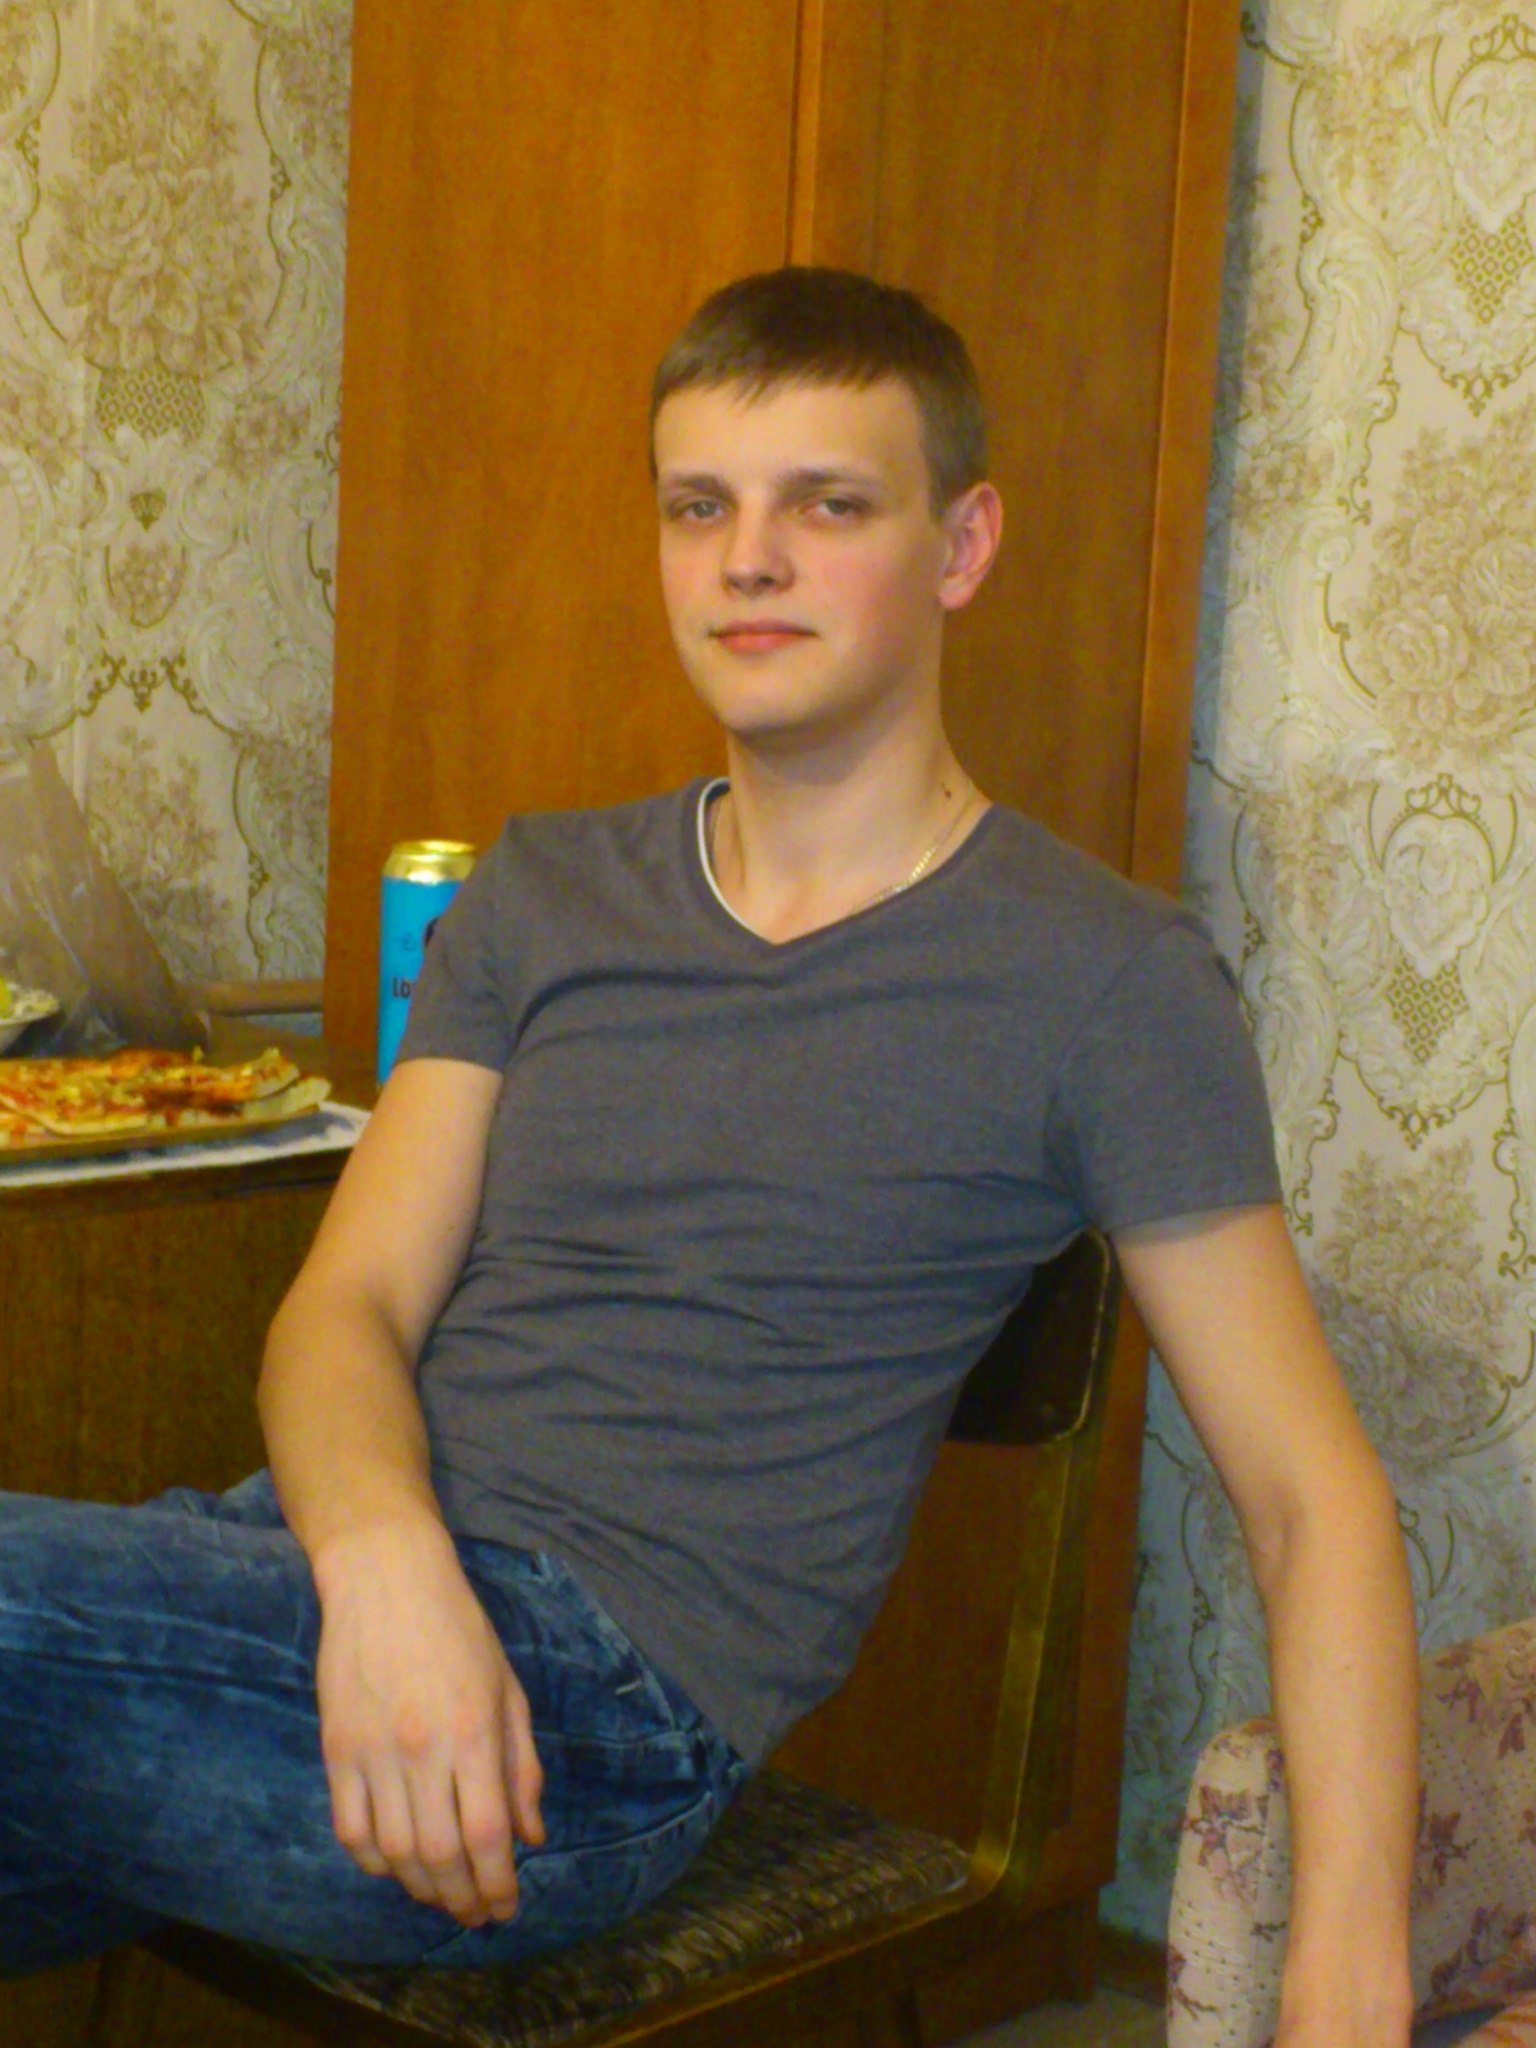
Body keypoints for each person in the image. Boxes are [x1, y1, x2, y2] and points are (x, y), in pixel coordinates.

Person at [0, 269, 1415, 2045]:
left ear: (962, 544)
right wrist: (386, 1571)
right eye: (699, 507)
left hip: (584, 1719)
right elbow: (343, 1311)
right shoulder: (542, 890)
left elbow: (1312, 1503)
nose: (749, 560)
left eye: (828, 505)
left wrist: (1347, 1986)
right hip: (317, 1581)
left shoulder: (1108, 980)